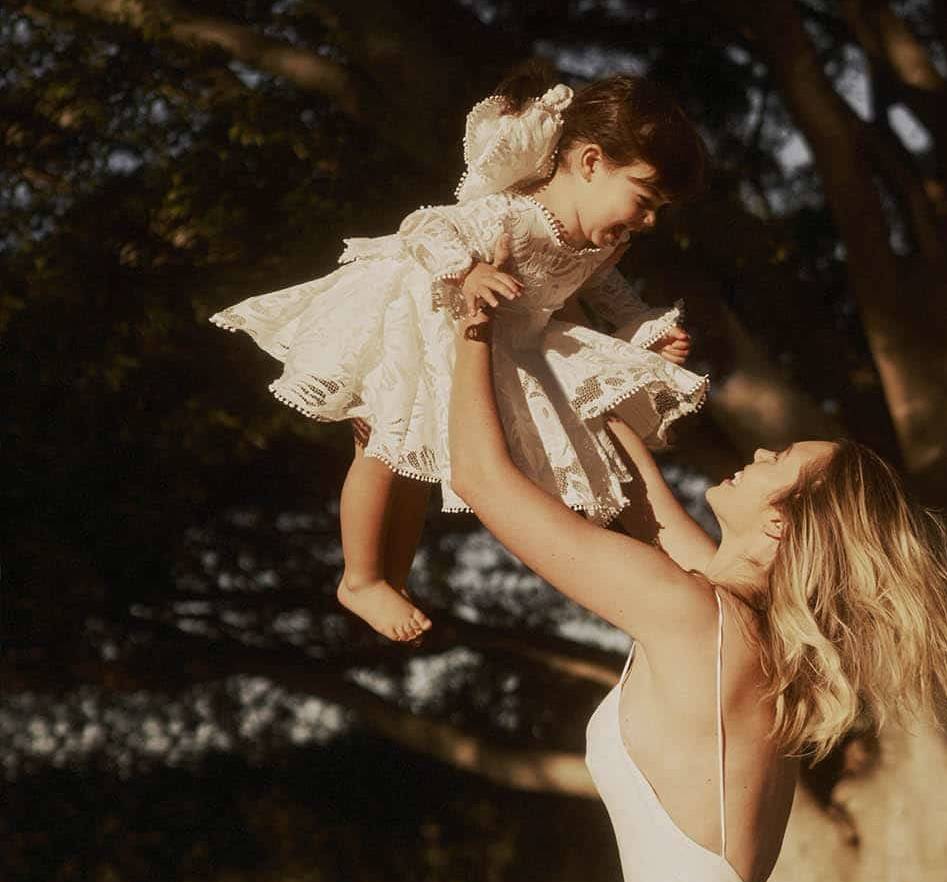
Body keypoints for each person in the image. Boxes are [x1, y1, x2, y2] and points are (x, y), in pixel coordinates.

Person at [448, 304, 947, 882]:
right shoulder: (727, 621)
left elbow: (482, 480)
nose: (761, 449)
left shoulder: (698, 622)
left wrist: (472, 329)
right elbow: (643, 503)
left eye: (780, 461)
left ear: (780, 526)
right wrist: (608, 368)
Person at [210, 61, 707, 641]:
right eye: (644, 198)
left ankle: (389, 577)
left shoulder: (602, 244)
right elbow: (425, 227)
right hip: (421, 321)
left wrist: (643, 332)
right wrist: (467, 269)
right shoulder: (512, 214)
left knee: (416, 466)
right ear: (591, 162)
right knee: (383, 444)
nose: (647, 221)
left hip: (494, 344)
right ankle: (360, 578)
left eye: (658, 210)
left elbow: (606, 291)